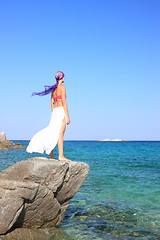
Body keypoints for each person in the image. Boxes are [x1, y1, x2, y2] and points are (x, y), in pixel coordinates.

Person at [26, 71, 71, 161]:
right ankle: (61, 156)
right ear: (62, 78)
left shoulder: (53, 90)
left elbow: (51, 103)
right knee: (60, 134)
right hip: (61, 111)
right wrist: (67, 116)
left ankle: (51, 156)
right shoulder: (62, 87)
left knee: (52, 132)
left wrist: (54, 113)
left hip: (55, 112)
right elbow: (64, 102)